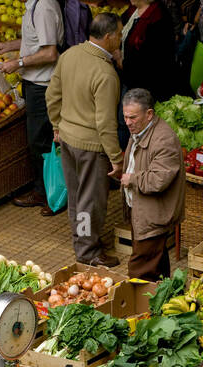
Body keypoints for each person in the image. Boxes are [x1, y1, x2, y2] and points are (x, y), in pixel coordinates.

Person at [47, 14, 125, 267]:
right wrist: (116, 157)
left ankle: (80, 240)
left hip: (67, 139)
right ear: (108, 37)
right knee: (90, 201)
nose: (121, 38)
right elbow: (105, 123)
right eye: (120, 34)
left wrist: (56, 125)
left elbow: (52, 95)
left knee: (77, 196)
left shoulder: (69, 55)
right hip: (90, 147)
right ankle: (87, 251)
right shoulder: (105, 73)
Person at [0, 0, 64, 215]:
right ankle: (47, 191)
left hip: (44, 85)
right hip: (34, 82)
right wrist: (9, 46)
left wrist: (18, 63)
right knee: (39, 140)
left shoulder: (43, 7)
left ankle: (49, 194)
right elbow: (37, 41)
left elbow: (50, 52)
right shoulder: (33, 5)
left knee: (42, 141)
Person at [119, 88, 184, 280]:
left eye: (133, 117)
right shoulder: (140, 130)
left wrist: (132, 179)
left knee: (140, 267)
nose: (128, 123)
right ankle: (164, 298)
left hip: (153, 214)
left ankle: (138, 307)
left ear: (149, 114)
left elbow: (158, 180)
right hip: (141, 209)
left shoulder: (164, 139)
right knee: (155, 258)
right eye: (125, 117)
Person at [120, 0, 178, 119]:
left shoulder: (158, 18)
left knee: (136, 120)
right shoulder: (132, 11)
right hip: (130, 78)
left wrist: (121, 62)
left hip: (148, 84)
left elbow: (153, 60)